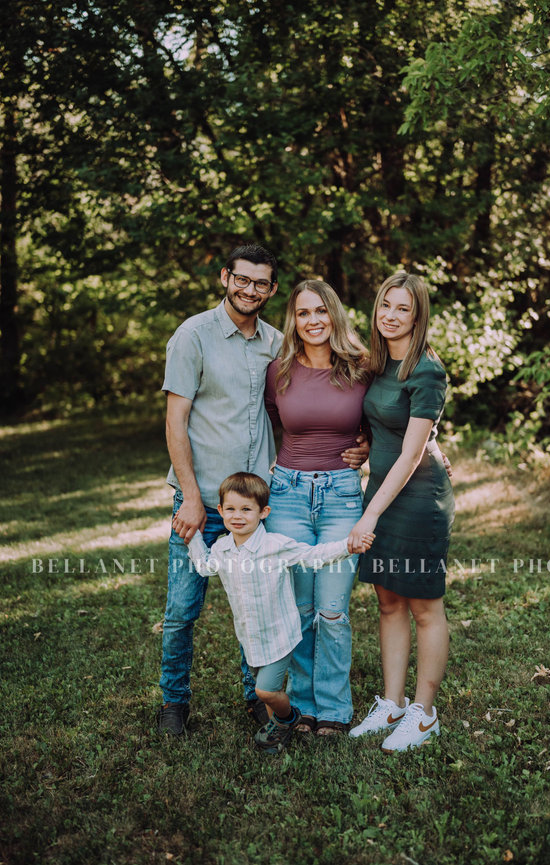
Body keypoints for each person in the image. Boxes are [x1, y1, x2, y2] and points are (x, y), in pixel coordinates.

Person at [157, 245, 368, 736]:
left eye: (260, 283)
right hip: (202, 498)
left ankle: (256, 694)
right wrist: (191, 496)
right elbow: (175, 420)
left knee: (260, 601)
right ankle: (173, 702)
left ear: (272, 290)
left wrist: (364, 442)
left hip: (260, 503)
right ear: (225, 277)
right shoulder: (193, 335)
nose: (249, 289)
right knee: (182, 611)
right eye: (242, 279)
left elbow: (308, 405)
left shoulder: (278, 345)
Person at [187, 472, 375, 753]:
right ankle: (277, 733)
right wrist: (192, 536)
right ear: (221, 510)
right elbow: (204, 566)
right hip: (250, 636)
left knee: (265, 690)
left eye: (246, 509)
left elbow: (313, 556)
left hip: (279, 635)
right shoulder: (223, 548)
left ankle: (289, 718)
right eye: (231, 509)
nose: (237, 516)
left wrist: (347, 546)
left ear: (264, 512)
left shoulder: (275, 546)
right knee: (267, 693)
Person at [347, 270, 455, 753]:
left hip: (417, 498)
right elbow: (381, 427)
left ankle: (424, 714)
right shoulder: (377, 364)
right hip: (382, 491)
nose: (391, 316)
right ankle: (391, 704)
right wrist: (364, 447)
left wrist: (369, 514)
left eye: (403, 309)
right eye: (385, 305)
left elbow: (412, 455)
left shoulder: (427, 371)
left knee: (424, 606)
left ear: (418, 316)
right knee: (388, 601)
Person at [263, 280, 371, 735]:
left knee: (332, 610)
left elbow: (382, 419)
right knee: (300, 609)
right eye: (304, 312)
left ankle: (335, 707)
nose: (313, 321)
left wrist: (367, 446)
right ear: (294, 320)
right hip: (287, 495)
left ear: (334, 315)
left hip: (341, 497)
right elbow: (274, 421)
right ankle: (304, 704)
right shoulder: (279, 371)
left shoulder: (362, 368)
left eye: (321, 311)